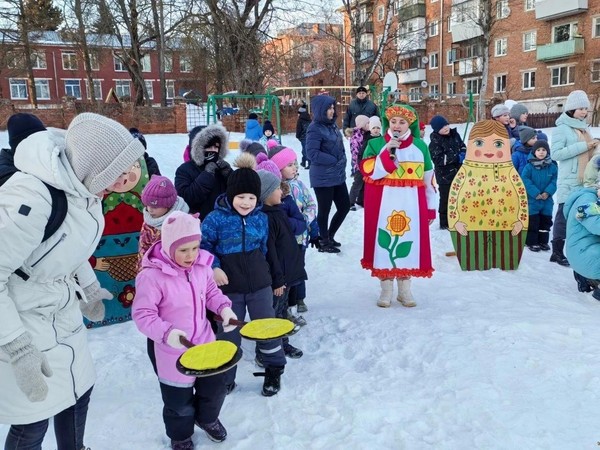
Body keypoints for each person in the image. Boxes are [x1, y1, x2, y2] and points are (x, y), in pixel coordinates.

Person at [0, 112, 145, 449]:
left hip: (60, 309)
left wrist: (89, 287)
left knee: (79, 391)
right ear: (94, 168)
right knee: (34, 417)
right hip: (20, 317)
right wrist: (18, 347)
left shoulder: (84, 188)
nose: (126, 179)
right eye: (117, 172)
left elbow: (71, 246)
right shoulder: (30, 199)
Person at [132, 211, 237, 449]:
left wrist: (224, 309)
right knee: (178, 402)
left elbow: (211, 292)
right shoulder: (152, 277)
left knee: (215, 389)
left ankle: (207, 419)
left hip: (204, 341)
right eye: (183, 250)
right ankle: (180, 435)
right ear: (169, 247)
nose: (191, 255)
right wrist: (167, 333)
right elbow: (143, 314)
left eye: (195, 247)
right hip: (171, 350)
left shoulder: (202, 265)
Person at [200, 154, 286, 396]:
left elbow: (266, 250)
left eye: (251, 197)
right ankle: (225, 378)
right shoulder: (215, 219)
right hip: (228, 290)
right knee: (228, 335)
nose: (246, 203)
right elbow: (204, 247)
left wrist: (273, 277)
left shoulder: (260, 218)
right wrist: (214, 267)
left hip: (259, 286)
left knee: (267, 330)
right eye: (241, 197)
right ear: (230, 195)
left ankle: (273, 371)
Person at [360, 104, 437, 307]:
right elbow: (368, 171)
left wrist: (431, 207)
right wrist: (388, 151)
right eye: (393, 121)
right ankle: (386, 290)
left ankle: (405, 290)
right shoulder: (376, 144)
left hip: (411, 205)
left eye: (402, 122)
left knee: (409, 244)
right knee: (383, 246)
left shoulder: (420, 147)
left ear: (409, 125)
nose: (397, 125)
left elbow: (429, 179)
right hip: (383, 206)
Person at [254, 160, 306, 359]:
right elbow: (271, 252)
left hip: (287, 274)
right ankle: (265, 350)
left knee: (282, 312)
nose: (282, 192)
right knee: (273, 313)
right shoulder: (267, 217)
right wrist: (278, 279)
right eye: (277, 188)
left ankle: (282, 342)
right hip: (278, 278)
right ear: (266, 194)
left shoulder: (279, 209)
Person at [550, 90, 600, 267]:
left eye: (586, 108)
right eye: (580, 108)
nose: (584, 112)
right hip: (569, 179)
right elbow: (556, 154)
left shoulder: (584, 128)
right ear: (571, 109)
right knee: (563, 215)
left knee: (581, 216)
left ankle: (577, 251)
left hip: (586, 180)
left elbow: (588, 151)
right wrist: (584, 145)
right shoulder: (561, 128)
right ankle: (556, 251)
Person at [272, 148, 317, 314]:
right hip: (284, 239)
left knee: (299, 268)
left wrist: (305, 220)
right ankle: (287, 305)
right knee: (286, 271)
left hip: (300, 237)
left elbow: (311, 204)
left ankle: (300, 298)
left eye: (295, 164)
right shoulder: (276, 188)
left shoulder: (299, 185)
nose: (294, 168)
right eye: (289, 165)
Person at [306, 94, 351, 253]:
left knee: (344, 206)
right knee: (324, 210)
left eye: (333, 108)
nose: (332, 111)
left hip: (337, 175)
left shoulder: (332, 125)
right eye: (328, 108)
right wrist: (333, 159)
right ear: (320, 110)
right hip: (323, 177)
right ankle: (323, 242)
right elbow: (312, 153)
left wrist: (342, 158)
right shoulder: (314, 128)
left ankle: (329, 235)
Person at [175, 124, 232, 219]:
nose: (213, 151)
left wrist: (230, 174)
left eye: (216, 147)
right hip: (197, 223)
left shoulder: (221, 168)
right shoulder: (184, 170)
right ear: (198, 148)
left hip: (222, 223)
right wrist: (207, 175)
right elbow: (185, 198)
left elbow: (238, 193)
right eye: (208, 147)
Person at [564, 156, 600, 300]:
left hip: (588, 251)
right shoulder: (586, 200)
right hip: (583, 253)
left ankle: (587, 277)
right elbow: (596, 224)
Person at [138, 174, 189, 266]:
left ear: (168, 205)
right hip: (153, 270)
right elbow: (143, 247)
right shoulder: (148, 223)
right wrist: (143, 268)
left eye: (155, 206)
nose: (150, 210)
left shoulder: (184, 222)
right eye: (147, 205)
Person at [428, 115, 466, 230]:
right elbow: (439, 159)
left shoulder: (455, 135)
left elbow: (462, 146)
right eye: (441, 127)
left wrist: (463, 153)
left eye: (446, 125)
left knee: (459, 195)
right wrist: (455, 157)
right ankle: (445, 222)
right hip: (444, 175)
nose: (445, 128)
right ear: (436, 130)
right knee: (446, 197)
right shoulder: (435, 142)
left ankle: (458, 217)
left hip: (458, 172)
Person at [521, 140, 557, 252]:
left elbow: (554, 181)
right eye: (538, 150)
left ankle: (543, 241)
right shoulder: (529, 166)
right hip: (533, 199)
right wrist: (535, 193)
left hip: (546, 200)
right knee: (533, 221)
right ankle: (532, 242)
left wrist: (547, 192)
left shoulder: (552, 166)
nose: (541, 152)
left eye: (544, 150)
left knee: (545, 221)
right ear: (534, 152)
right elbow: (525, 180)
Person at [348, 115, 370, 211]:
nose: (369, 125)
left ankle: (361, 200)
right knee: (357, 183)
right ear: (362, 125)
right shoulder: (357, 136)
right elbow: (356, 152)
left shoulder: (366, 134)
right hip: (358, 164)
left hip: (364, 163)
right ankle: (350, 202)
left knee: (364, 183)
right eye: (367, 123)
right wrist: (359, 164)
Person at [296, 104, 312, 168]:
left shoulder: (300, 120)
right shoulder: (309, 119)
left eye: (298, 113)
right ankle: (303, 162)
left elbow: (298, 129)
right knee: (305, 149)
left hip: (303, 137)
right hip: (310, 137)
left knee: (305, 150)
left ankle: (310, 163)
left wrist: (298, 136)